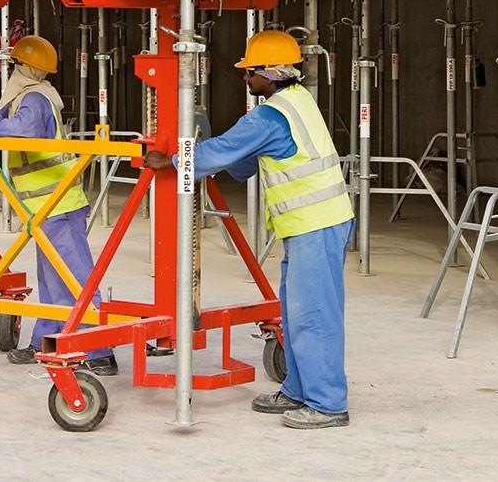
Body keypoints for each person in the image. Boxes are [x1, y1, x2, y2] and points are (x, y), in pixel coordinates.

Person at [144, 29, 355, 430]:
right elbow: (242, 162)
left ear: (271, 73)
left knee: (314, 315)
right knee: (296, 314)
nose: (245, 78)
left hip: (317, 224)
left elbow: (220, 153)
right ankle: (297, 390)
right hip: (311, 225)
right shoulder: (296, 101)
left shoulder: (269, 115)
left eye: (251, 71)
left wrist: (170, 160)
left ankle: (328, 404)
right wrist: (216, 153)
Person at [0, 34, 117, 376]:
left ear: (25, 68)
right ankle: (45, 340)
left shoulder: (35, 100)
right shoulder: (17, 100)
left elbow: (19, 131)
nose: (8, 71)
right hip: (43, 209)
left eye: (12, 65)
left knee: (75, 279)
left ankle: (99, 350)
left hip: (59, 204)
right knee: (52, 281)